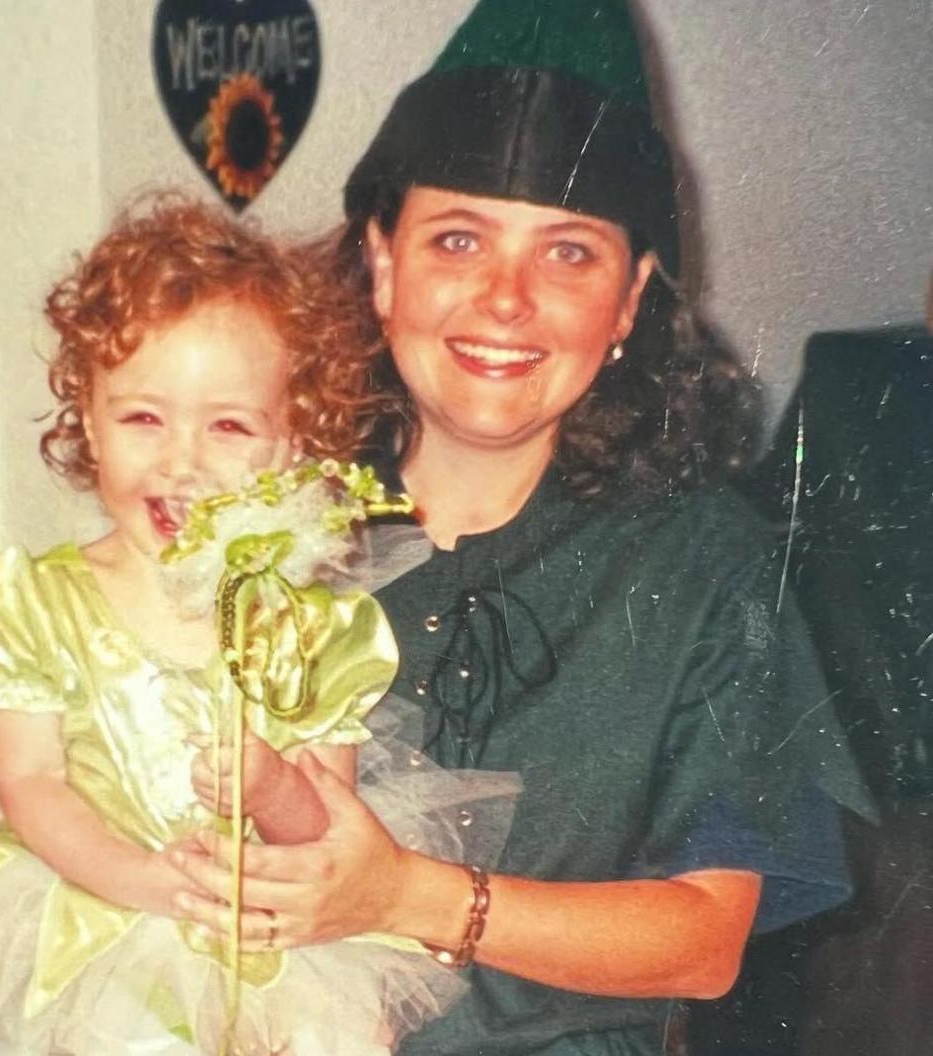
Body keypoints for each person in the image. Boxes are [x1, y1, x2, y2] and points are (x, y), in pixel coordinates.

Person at [172, 2, 876, 1054]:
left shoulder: (711, 566)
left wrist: (404, 894)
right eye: (458, 239)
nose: (506, 300)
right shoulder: (261, 518)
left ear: (632, 300)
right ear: (380, 262)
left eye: (570, 254)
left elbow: (704, 941)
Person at [0, 196, 510, 1056]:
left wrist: (269, 787)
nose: (180, 460)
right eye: (143, 417)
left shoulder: (311, 622)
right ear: (89, 422)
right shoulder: (43, 599)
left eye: (228, 426)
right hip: (109, 924)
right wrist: (139, 880)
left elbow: (325, 823)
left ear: (292, 445)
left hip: (278, 934)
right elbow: (30, 782)